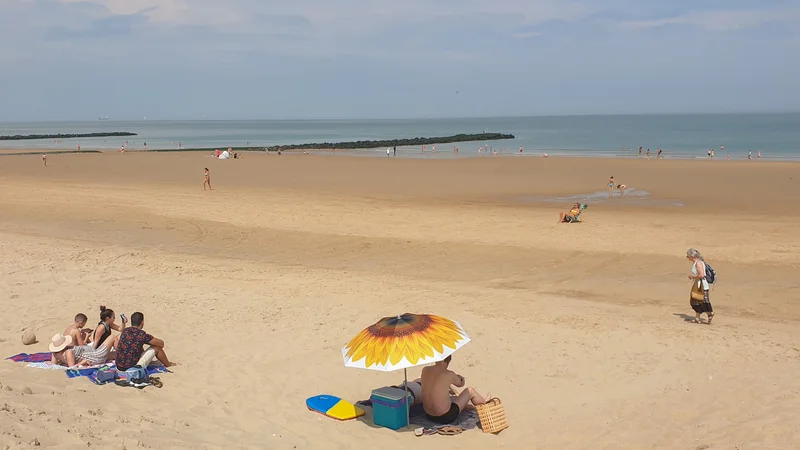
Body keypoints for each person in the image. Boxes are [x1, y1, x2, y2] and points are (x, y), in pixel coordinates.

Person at [420, 355, 488, 425]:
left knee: (451, 398)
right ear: (448, 361)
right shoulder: (449, 374)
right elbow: (460, 384)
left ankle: (469, 406)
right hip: (446, 416)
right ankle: (484, 404)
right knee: (470, 391)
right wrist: (461, 378)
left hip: (429, 415)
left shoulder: (425, 370)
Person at [687, 248, 714, 324]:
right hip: (698, 285)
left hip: (701, 286)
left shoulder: (698, 263)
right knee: (696, 301)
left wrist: (692, 276)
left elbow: (702, 275)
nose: (688, 258)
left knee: (702, 301)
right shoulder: (698, 262)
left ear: (692, 256)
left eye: (688, 256)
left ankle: (710, 313)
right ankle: (697, 318)